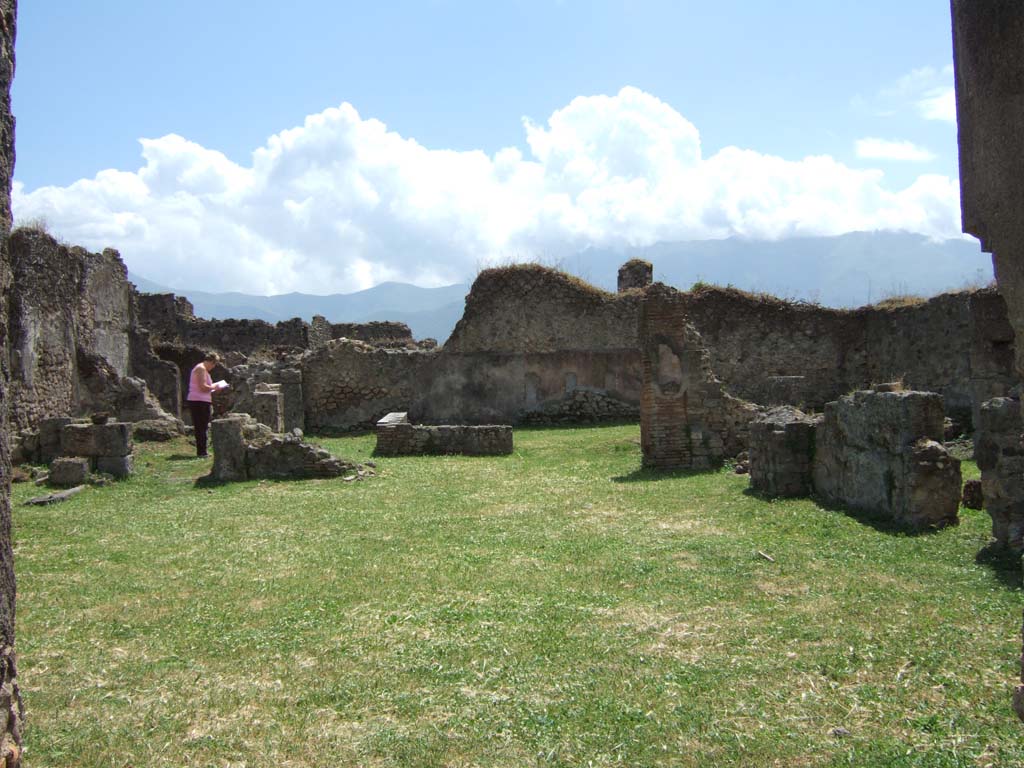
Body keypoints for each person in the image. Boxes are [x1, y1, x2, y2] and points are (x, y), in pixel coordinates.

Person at [186, 352, 226, 458]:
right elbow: (203, 387)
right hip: (198, 401)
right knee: (200, 426)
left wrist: (216, 387)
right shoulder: (201, 369)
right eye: (214, 365)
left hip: (203, 400)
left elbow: (207, 387)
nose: (213, 367)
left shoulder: (204, 370)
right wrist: (214, 387)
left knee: (203, 426)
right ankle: (201, 452)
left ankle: (203, 450)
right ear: (211, 362)